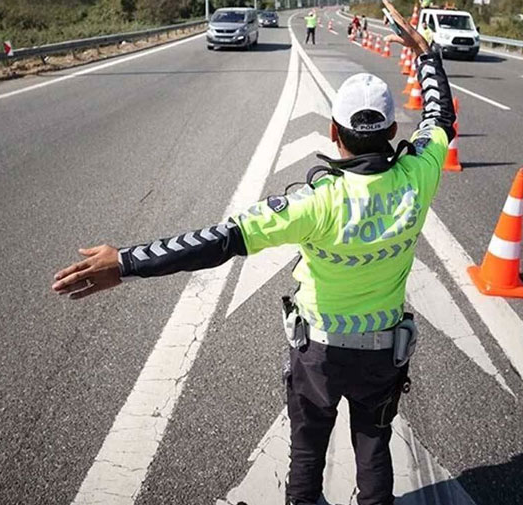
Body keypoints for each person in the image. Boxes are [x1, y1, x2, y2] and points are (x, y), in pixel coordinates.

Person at [51, 1, 455, 503]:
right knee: (374, 448)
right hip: (382, 354)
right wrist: (426, 56)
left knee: (307, 454)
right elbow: (440, 116)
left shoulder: (315, 203)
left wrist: (126, 262)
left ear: (334, 132)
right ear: (394, 132)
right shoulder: (420, 174)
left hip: (321, 354)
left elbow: (215, 242)